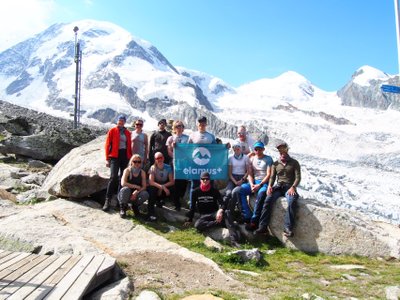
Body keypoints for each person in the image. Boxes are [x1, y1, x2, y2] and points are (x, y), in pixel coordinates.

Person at [255, 141, 301, 237]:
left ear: (287, 149)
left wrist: (293, 187)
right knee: (268, 200)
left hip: (289, 187)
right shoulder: (275, 164)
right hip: (279, 187)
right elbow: (272, 177)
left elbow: (298, 177)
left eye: (283, 148)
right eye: (280, 149)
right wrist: (270, 187)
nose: (281, 150)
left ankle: (288, 228)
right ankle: (263, 226)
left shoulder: (294, 162)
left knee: (292, 201)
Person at [185, 172, 241, 248]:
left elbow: (223, 204)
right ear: (200, 180)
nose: (205, 181)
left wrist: (220, 210)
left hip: (214, 213)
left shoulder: (214, 190)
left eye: (207, 179)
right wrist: (189, 219)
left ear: (209, 180)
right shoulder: (195, 191)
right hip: (204, 216)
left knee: (227, 212)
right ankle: (218, 223)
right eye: (203, 179)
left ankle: (234, 241)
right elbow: (193, 207)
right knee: (197, 225)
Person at [239, 141, 273, 229]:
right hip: (254, 182)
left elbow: (269, 174)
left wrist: (260, 185)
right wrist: (251, 184)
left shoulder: (268, 159)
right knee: (241, 190)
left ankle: (254, 221)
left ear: (263, 149)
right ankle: (247, 215)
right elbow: (250, 173)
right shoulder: (252, 159)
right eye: (256, 149)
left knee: (261, 194)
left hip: (264, 183)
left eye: (260, 149)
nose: (258, 151)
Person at [103, 114, 132, 212]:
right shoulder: (112, 130)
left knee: (122, 178)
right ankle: (107, 200)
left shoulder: (127, 132)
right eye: (120, 120)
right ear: (117, 121)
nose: (121, 121)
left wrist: (130, 157)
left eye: (123, 120)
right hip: (115, 156)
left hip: (124, 156)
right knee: (113, 177)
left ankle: (120, 201)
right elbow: (107, 145)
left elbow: (129, 146)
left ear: (125, 122)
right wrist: (107, 158)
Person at [187, 116, 217, 209]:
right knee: (194, 186)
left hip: (208, 165)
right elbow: (187, 149)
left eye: (203, 123)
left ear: (206, 124)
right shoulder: (192, 135)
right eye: (200, 123)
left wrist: (225, 147)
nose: (201, 125)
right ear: (197, 124)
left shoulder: (211, 136)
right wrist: (177, 146)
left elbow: (216, 149)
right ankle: (192, 207)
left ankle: (208, 207)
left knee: (209, 185)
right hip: (195, 164)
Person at [166, 120, 189, 211]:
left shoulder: (187, 138)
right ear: (174, 128)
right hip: (174, 162)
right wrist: (173, 149)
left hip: (184, 162)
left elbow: (189, 150)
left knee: (183, 182)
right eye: (177, 126)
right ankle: (175, 202)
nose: (179, 128)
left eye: (180, 126)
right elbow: (169, 151)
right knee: (174, 181)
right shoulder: (171, 138)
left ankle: (180, 199)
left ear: (183, 128)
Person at [223, 141, 249, 222]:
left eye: (238, 148)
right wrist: (235, 182)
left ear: (241, 149)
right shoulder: (230, 158)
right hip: (233, 178)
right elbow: (229, 173)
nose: (236, 150)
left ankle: (230, 213)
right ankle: (224, 210)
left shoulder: (246, 157)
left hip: (242, 178)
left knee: (236, 192)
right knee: (228, 193)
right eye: (234, 149)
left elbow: (248, 171)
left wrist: (242, 180)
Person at [147, 152, 175, 221]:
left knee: (173, 187)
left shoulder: (168, 167)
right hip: (156, 186)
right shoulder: (153, 168)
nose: (159, 159)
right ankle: (151, 212)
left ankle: (163, 201)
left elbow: (172, 181)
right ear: (155, 160)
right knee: (152, 189)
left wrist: (162, 187)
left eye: (161, 157)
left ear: (163, 158)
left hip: (163, 186)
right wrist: (162, 187)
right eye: (157, 158)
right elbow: (151, 182)